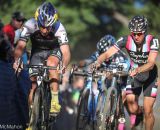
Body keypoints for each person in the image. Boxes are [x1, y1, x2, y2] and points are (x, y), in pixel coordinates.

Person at [94, 15, 159, 130]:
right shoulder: (125, 40)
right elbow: (107, 53)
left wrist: (138, 69)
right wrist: (98, 61)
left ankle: (145, 114)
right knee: (131, 105)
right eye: (133, 33)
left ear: (145, 32)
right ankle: (139, 113)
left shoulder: (152, 41)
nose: (136, 36)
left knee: (149, 111)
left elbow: (151, 63)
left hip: (150, 76)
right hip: (135, 75)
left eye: (139, 33)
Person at [14, 2, 71, 115]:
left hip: (53, 51)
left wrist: (64, 64)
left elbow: (66, 51)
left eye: (48, 27)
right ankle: (30, 119)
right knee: (33, 86)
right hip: (38, 52)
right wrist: (16, 61)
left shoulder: (59, 27)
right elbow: (20, 46)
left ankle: (54, 101)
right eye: (42, 26)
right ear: (37, 21)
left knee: (51, 64)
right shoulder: (29, 24)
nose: (44, 30)